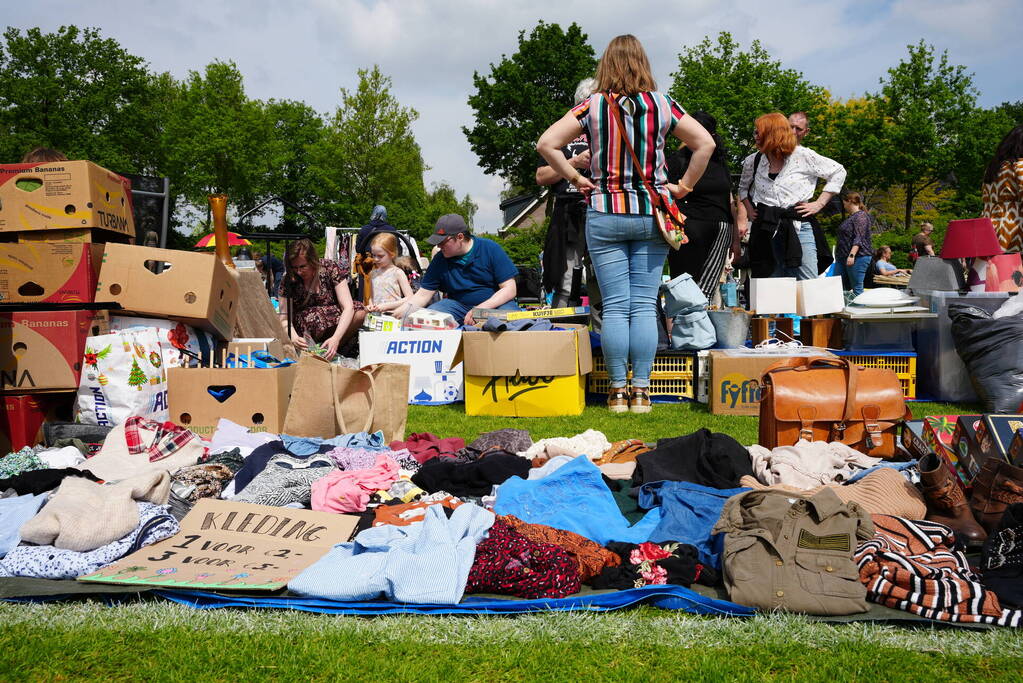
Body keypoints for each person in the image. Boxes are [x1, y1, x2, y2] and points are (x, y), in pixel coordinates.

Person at [536, 34, 715, 414]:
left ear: (607, 64)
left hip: (605, 210)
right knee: (644, 304)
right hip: (651, 212)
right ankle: (642, 391)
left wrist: (575, 177)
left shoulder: (593, 105)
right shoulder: (663, 104)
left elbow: (546, 143)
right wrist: (684, 186)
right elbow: (705, 145)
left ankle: (618, 392)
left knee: (616, 307)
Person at [739, 112, 846, 281]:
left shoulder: (802, 155)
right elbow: (743, 188)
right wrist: (749, 209)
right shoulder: (753, 160)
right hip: (766, 228)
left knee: (807, 282)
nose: (755, 136)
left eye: (758, 132)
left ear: (772, 134)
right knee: (772, 284)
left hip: (798, 226)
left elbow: (838, 171)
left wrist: (819, 203)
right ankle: (779, 309)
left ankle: (806, 309)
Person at [665, 111, 747, 301]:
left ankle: (697, 327)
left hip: (719, 230)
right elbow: (661, 190)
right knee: (683, 285)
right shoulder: (678, 160)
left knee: (705, 290)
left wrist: (735, 241)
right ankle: (682, 327)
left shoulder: (719, 162)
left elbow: (729, 202)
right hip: (688, 229)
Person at [393, 214, 518, 326]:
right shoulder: (440, 259)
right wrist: (401, 313)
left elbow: (509, 289)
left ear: (460, 237)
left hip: (495, 305)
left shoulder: (490, 249)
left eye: (442, 242)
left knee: (512, 321)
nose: (438, 246)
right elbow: (422, 295)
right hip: (458, 306)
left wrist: (481, 310)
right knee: (428, 318)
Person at [536, 78, 595, 308]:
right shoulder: (561, 132)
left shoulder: (608, 131)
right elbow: (541, 176)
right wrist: (574, 162)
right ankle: (560, 328)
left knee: (599, 276)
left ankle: (602, 337)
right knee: (563, 275)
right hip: (567, 212)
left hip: (599, 208)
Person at [279, 238, 365, 361]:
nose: (298, 271)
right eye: (294, 267)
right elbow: (284, 318)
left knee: (360, 311)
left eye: (303, 266)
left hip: (333, 321)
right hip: (305, 326)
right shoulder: (288, 280)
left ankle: (330, 349)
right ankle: (320, 351)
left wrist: (336, 338)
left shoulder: (330, 268)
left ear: (312, 260)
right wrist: (293, 336)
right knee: (316, 317)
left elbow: (348, 306)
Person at [982, 124, 1023, 253]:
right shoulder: (1020, 166)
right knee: (1014, 271)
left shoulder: (993, 167)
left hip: (988, 227)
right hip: (1014, 229)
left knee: (993, 271)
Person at [832, 192, 875, 295]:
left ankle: (860, 309)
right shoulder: (851, 217)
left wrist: (852, 255)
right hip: (842, 257)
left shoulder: (861, 216)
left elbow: (859, 237)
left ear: (850, 201)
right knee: (838, 287)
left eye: (844, 203)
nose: (844, 206)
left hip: (858, 257)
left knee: (857, 287)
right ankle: (843, 309)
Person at [364, 232, 414, 313]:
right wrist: (370, 305)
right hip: (376, 316)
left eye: (380, 256)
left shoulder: (397, 273)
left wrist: (387, 306)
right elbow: (371, 297)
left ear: (392, 254)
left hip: (393, 315)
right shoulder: (373, 273)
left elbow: (410, 298)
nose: (376, 259)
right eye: (373, 255)